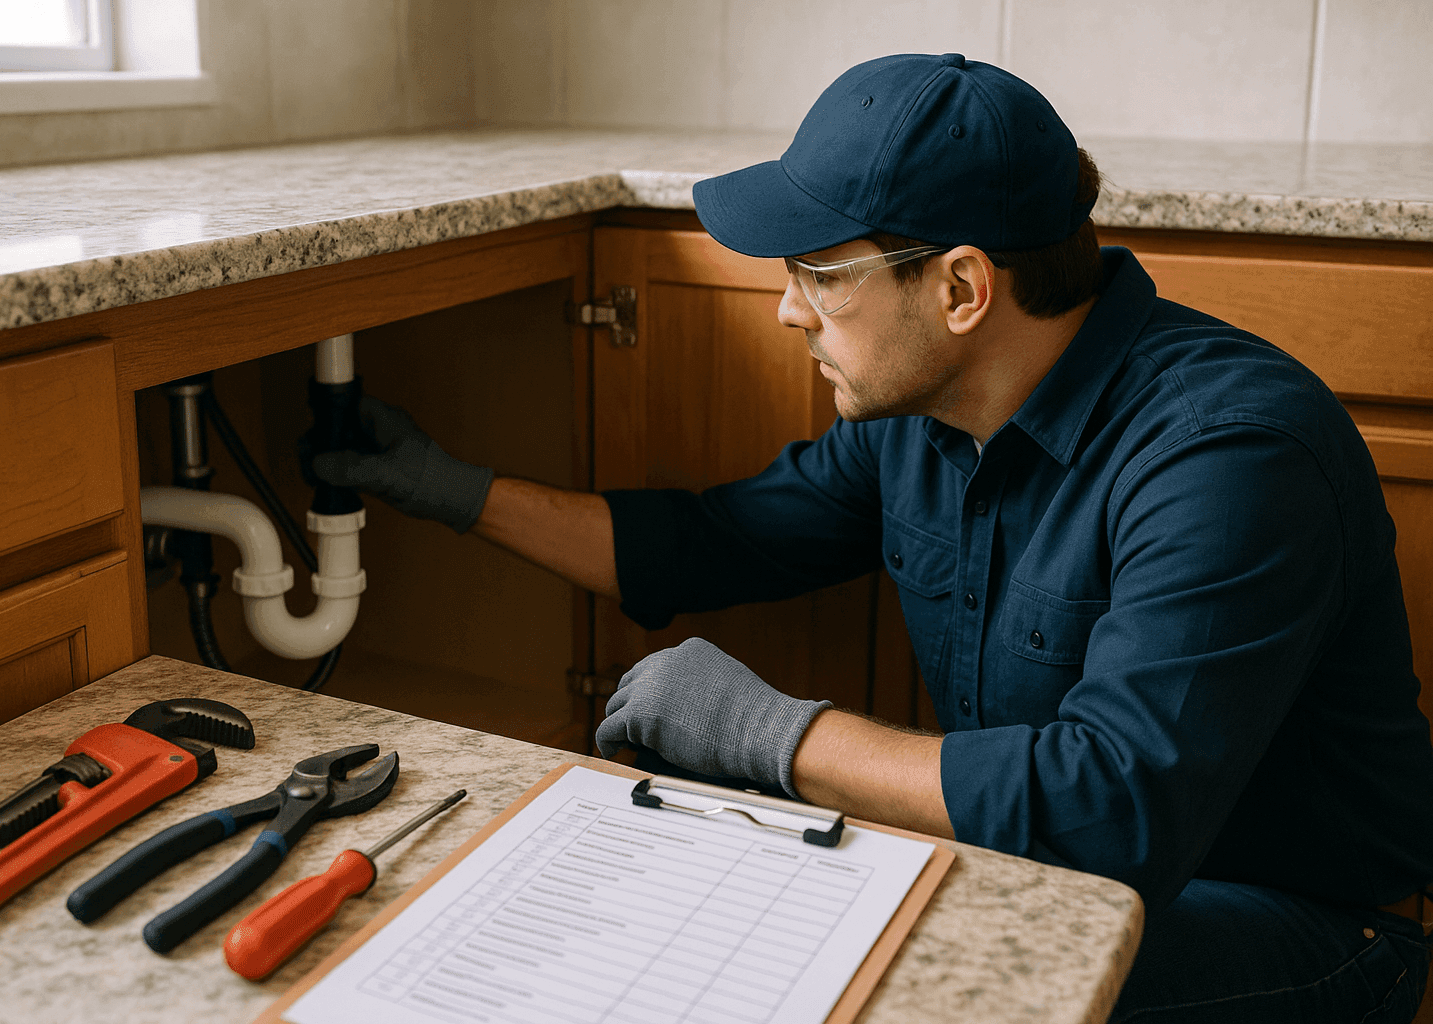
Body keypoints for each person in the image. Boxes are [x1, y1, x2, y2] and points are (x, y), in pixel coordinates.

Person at [313, 53, 1433, 1023]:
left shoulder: (1227, 455)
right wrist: (449, 490)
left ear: (961, 288)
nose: (787, 309)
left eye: (819, 273)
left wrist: (764, 730)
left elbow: (1109, 813)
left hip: (1299, 921)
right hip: (1047, 868)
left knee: (894, 983)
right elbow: (714, 540)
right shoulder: (924, 412)